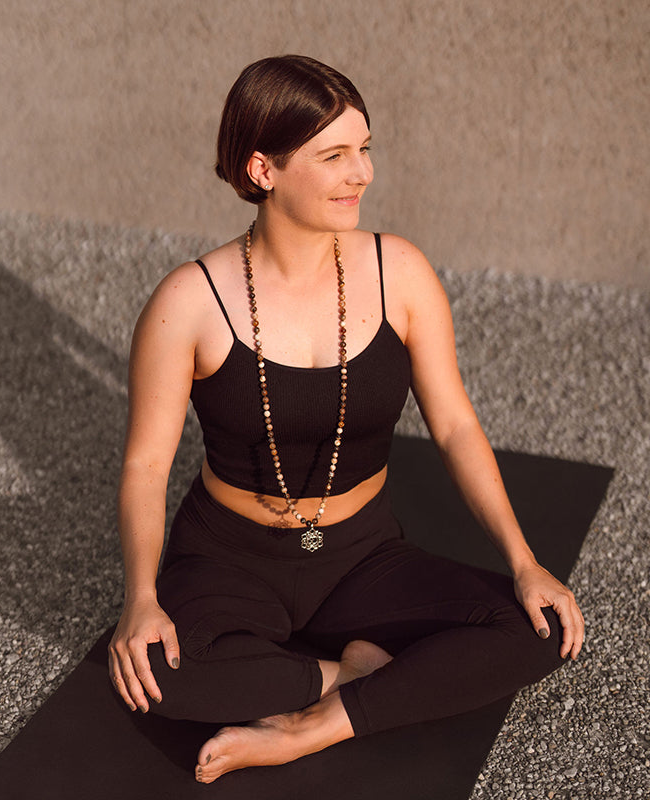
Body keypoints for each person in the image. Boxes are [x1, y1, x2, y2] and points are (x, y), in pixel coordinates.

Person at [108, 55, 584, 784]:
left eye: (364, 149)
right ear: (263, 169)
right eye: (333, 156)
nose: (362, 173)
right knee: (155, 673)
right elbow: (145, 465)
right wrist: (140, 599)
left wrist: (524, 562)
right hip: (229, 556)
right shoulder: (189, 302)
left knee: (539, 628)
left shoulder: (401, 273)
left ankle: (315, 723)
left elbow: (456, 425)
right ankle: (348, 676)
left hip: (362, 553)